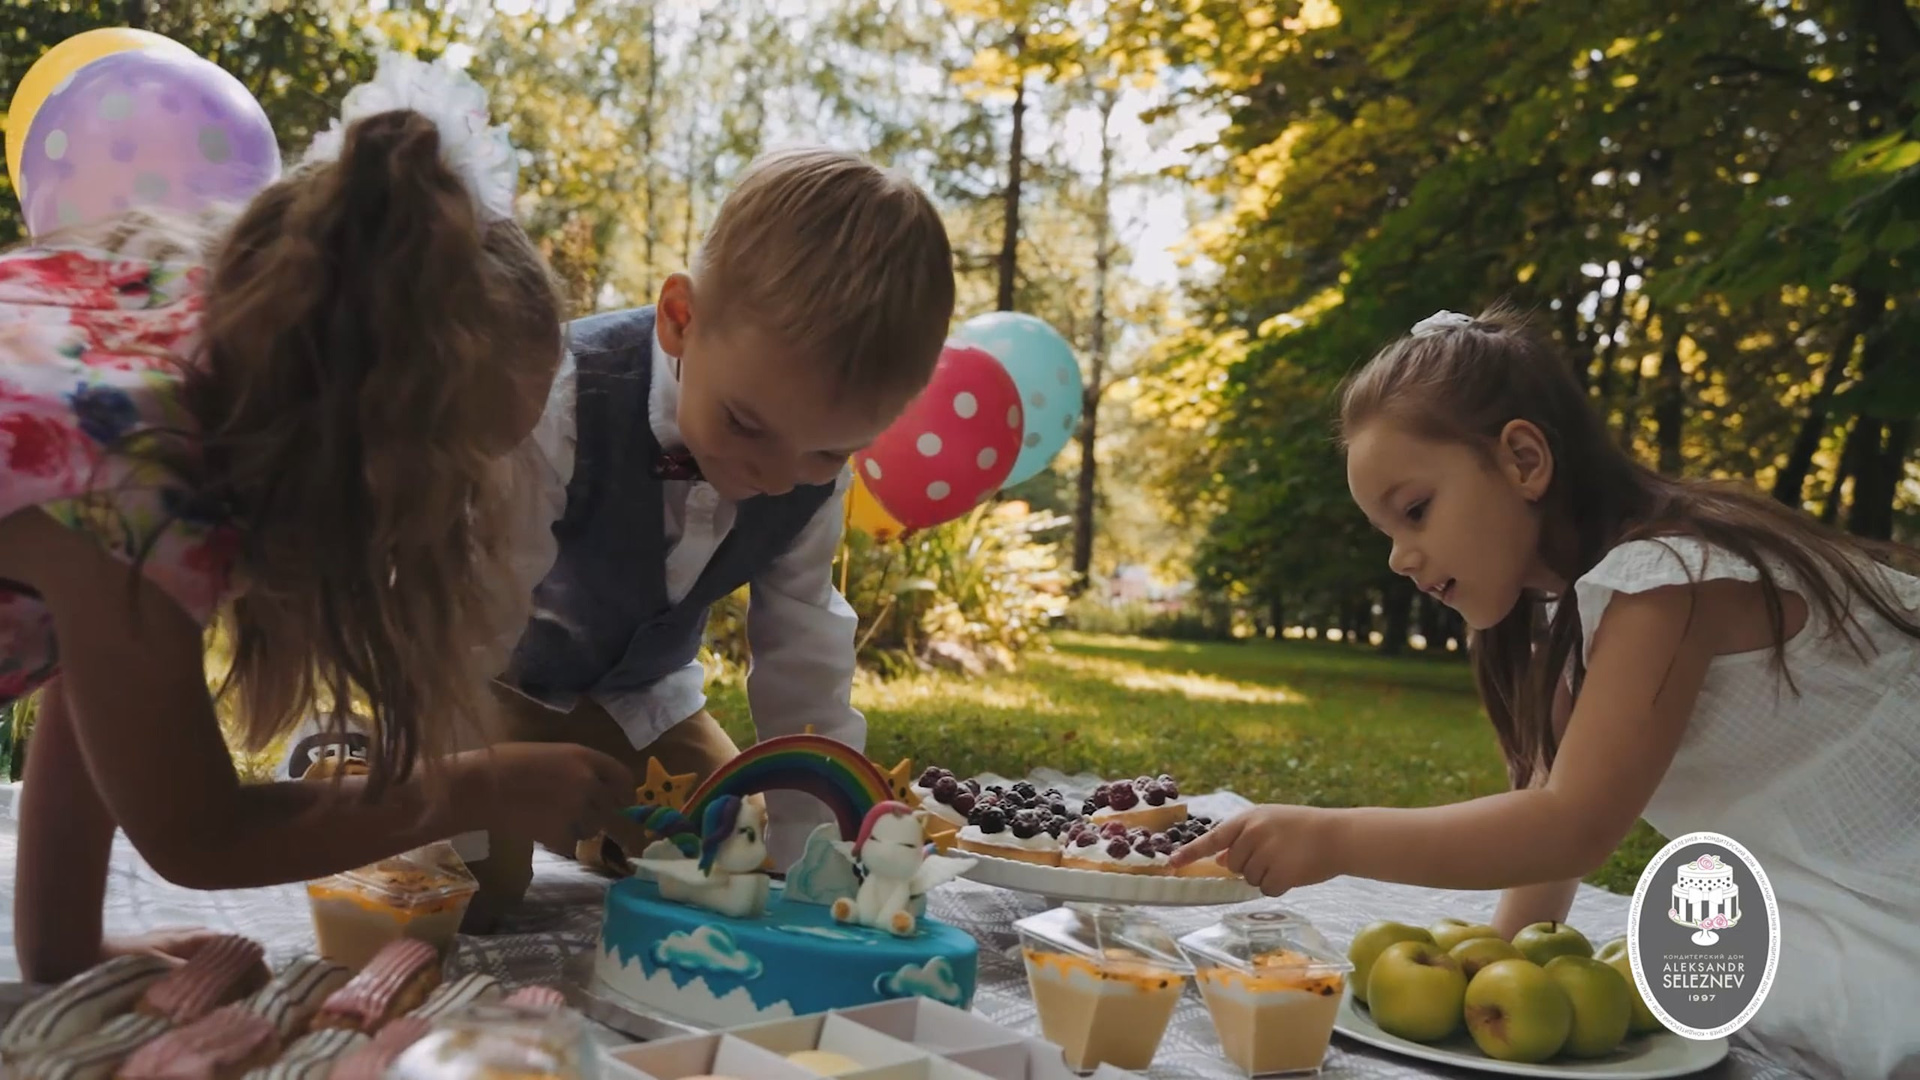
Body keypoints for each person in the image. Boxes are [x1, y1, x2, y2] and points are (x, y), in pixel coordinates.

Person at [0, 52, 638, 984]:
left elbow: (97, 687)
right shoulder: (138, 477)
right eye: (456, 471)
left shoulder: (200, 318)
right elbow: (201, 836)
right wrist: (486, 783)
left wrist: (62, 953)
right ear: (366, 439)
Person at [1171, 305, 1920, 1079]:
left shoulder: (1667, 581)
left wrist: (1333, 839)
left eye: (1416, 511)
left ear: (1524, 459)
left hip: (1889, 903)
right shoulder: (1579, 610)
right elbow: (1547, 809)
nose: (1399, 557)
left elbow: (1573, 827)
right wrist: (1501, 968)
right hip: (1814, 889)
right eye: (1385, 532)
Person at [442, 145, 957, 927]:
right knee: (469, 892)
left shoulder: (810, 477)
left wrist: (814, 844)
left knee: (736, 867)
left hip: (643, 702)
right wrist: (466, 775)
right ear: (681, 319)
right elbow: (476, 618)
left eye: (826, 451)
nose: (780, 476)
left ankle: (600, 829)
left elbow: (805, 652)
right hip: (493, 685)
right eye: (747, 424)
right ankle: (502, 813)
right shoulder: (562, 399)